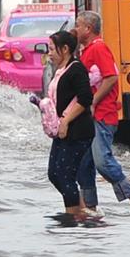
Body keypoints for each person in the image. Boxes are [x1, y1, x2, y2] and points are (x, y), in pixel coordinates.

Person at [74, 11, 130, 214]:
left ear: (88, 29)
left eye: (78, 25)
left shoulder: (98, 48)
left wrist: (93, 102)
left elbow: (111, 77)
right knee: (85, 163)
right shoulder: (86, 50)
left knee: (102, 161)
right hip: (89, 116)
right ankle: (89, 206)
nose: (75, 29)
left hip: (102, 114)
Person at [43, 30, 94, 216]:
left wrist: (66, 121)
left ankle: (73, 216)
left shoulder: (76, 69)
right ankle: (82, 209)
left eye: (52, 49)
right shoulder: (60, 70)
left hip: (77, 131)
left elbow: (85, 98)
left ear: (64, 49)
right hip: (61, 131)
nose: (49, 53)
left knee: (65, 175)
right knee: (54, 174)